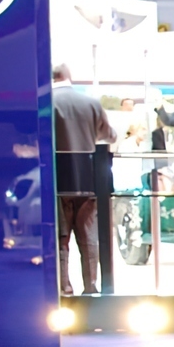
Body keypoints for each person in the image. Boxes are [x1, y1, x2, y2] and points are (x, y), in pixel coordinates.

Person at [52, 63, 114, 295]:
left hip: (57, 181)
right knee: (89, 239)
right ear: (68, 76)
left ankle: (64, 289)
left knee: (61, 238)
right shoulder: (90, 103)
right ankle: (91, 287)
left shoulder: (46, 104)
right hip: (89, 179)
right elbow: (109, 135)